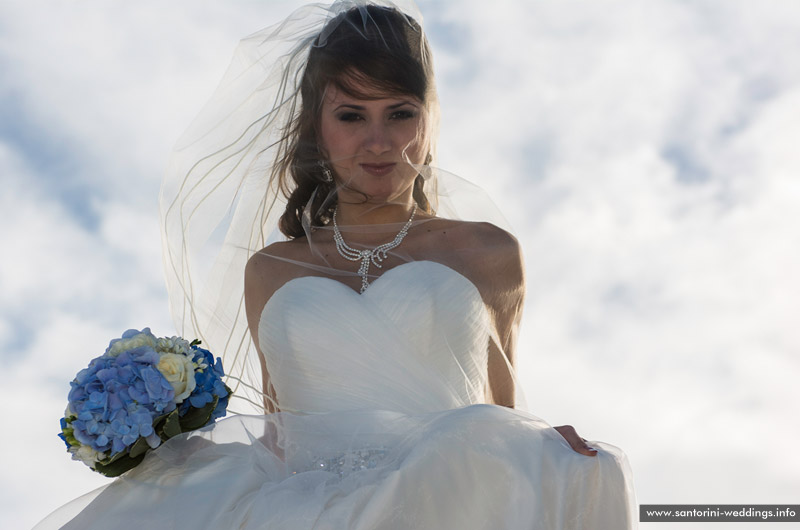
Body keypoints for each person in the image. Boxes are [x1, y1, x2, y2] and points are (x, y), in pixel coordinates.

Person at [36, 1, 636, 528]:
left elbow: (501, 411)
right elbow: (281, 432)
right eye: (351, 115)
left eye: (400, 113)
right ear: (316, 129)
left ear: (429, 120)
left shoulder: (487, 251)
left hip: (447, 501)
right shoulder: (270, 270)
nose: (378, 142)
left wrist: (542, 448)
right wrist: (166, 440)